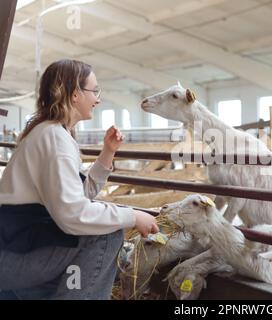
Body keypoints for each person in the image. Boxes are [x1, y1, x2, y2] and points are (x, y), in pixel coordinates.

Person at [0, 59, 159, 300]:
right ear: (75, 94)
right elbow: (73, 215)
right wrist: (132, 216)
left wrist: (107, 152)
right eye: (95, 90)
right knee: (108, 233)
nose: (98, 98)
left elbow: (78, 198)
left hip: (15, 250)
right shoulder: (54, 138)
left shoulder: (51, 132)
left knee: (101, 228)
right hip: (12, 258)